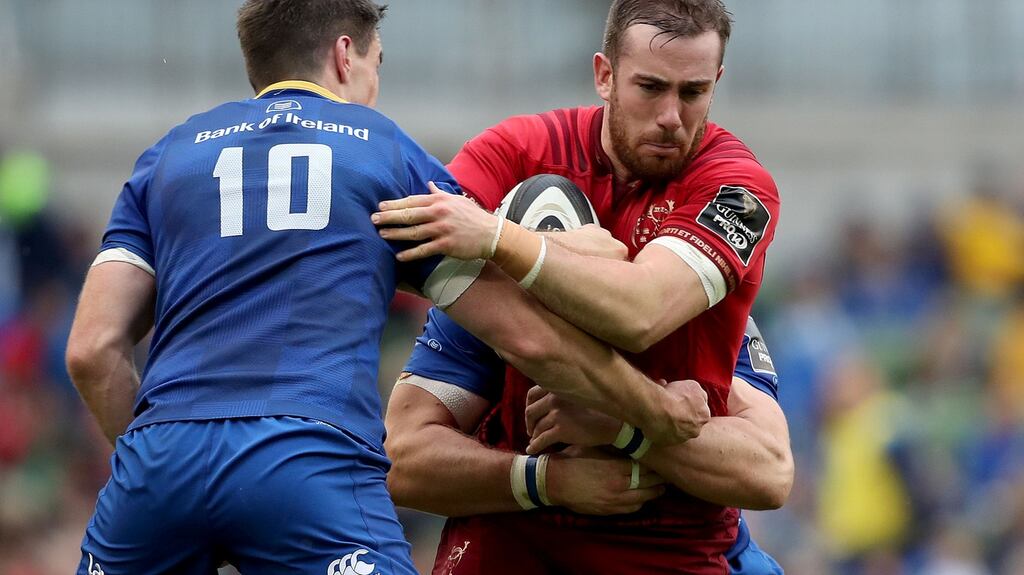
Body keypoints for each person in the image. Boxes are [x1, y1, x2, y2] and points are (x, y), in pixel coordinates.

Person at [64, 1, 713, 573]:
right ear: (346, 56)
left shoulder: (167, 157)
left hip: (157, 465)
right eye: (377, 63)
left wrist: (170, 468)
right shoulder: (379, 152)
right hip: (306, 466)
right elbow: (527, 335)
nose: (375, 83)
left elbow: (92, 351)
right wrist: (652, 413)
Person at [372, 0, 782, 572]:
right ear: (605, 76)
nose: (670, 115)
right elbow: (402, 457)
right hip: (512, 538)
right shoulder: (517, 152)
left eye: (692, 93)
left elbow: (641, 313)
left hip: (671, 548)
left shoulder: (735, 191)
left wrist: (500, 239)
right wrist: (545, 480)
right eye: (650, 88)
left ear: (717, 82)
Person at [388, 307, 790, 575]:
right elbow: (402, 459)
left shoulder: (695, 300)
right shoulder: (481, 298)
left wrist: (623, 424)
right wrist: (546, 481)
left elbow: (769, 471)